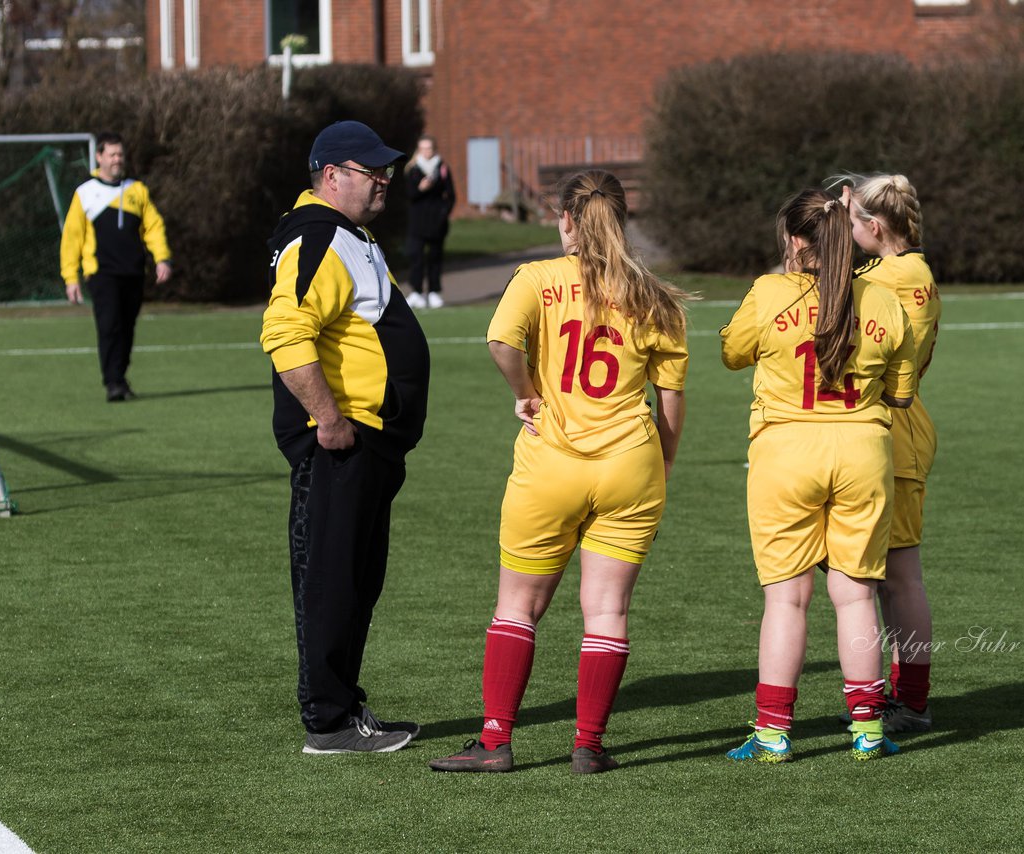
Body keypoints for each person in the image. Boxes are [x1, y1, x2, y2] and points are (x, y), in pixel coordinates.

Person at [429, 170, 689, 775]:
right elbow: (670, 397)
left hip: (551, 463)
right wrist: (665, 457)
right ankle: (589, 744)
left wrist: (524, 392)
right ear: (620, 220)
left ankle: (496, 741)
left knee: (517, 606)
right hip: (631, 466)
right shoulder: (653, 293)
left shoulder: (537, 278)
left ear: (566, 220)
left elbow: (500, 341)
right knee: (607, 612)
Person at [720, 185, 917, 764]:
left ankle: (774, 734)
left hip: (786, 451)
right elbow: (902, 395)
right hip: (864, 451)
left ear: (794, 239)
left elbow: (732, 351)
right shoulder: (883, 299)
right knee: (855, 597)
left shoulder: (769, 292)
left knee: (787, 601)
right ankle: (868, 731)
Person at [259, 120, 430, 754]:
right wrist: (328, 420)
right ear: (331, 176)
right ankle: (327, 720)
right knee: (332, 578)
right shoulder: (318, 238)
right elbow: (285, 335)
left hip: (368, 443)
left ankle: (343, 707)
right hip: (341, 445)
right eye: (371, 170)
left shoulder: (347, 234)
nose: (385, 179)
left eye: (387, 169)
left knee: (356, 580)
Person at [846, 173, 941, 734]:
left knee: (898, 576)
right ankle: (900, 697)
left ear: (874, 227)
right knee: (887, 577)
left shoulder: (887, 276)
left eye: (853, 221)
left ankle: (910, 700)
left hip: (892, 427)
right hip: (900, 421)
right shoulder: (915, 269)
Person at [59, 132, 172, 402]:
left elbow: (153, 228)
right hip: (101, 273)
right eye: (111, 154)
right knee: (109, 326)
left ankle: (120, 377)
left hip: (133, 271)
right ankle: (112, 382)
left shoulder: (137, 190)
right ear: (99, 157)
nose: (117, 159)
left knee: (127, 327)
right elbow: (72, 237)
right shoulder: (85, 193)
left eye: (120, 154)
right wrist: (70, 277)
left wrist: (162, 258)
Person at [404, 135, 456, 309]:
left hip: (436, 222)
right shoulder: (412, 169)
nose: (426, 151)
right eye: (423, 148)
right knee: (415, 256)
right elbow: (409, 195)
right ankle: (416, 292)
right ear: (419, 150)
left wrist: (444, 212)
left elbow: (451, 195)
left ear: (434, 149)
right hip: (417, 221)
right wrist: (420, 189)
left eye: (429, 148)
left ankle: (434, 292)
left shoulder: (442, 168)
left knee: (435, 257)